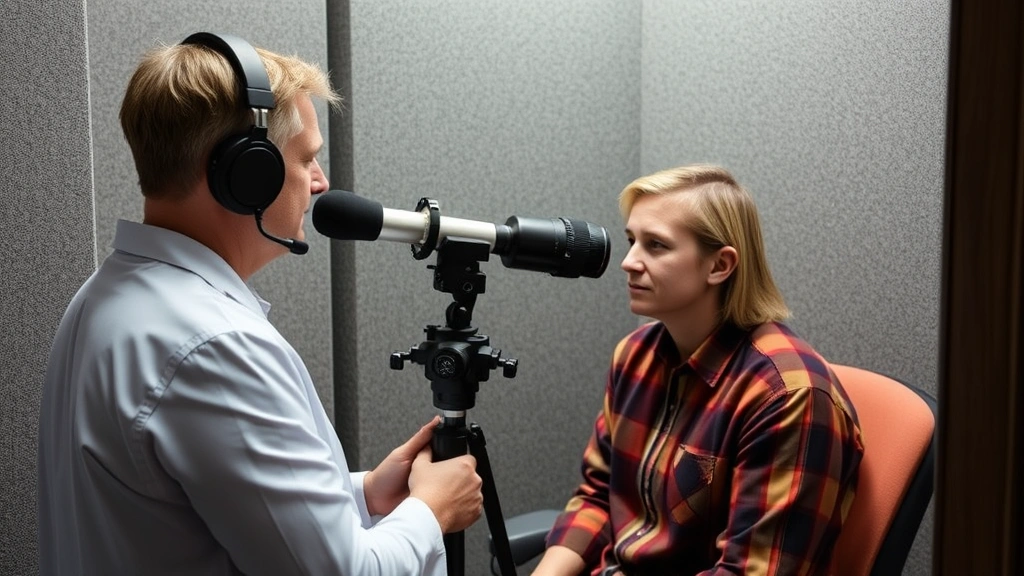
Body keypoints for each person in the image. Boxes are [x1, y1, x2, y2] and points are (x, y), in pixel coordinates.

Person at [37, 33, 482, 575]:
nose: (321, 182)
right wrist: (430, 511)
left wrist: (363, 493)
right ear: (246, 175)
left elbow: (201, 502)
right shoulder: (217, 349)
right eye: (307, 159)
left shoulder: (103, 300)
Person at [533, 165, 864, 575]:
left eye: (655, 246)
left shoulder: (788, 396)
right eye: (631, 241)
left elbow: (751, 572)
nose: (628, 262)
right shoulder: (633, 356)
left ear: (719, 266)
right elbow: (599, 496)